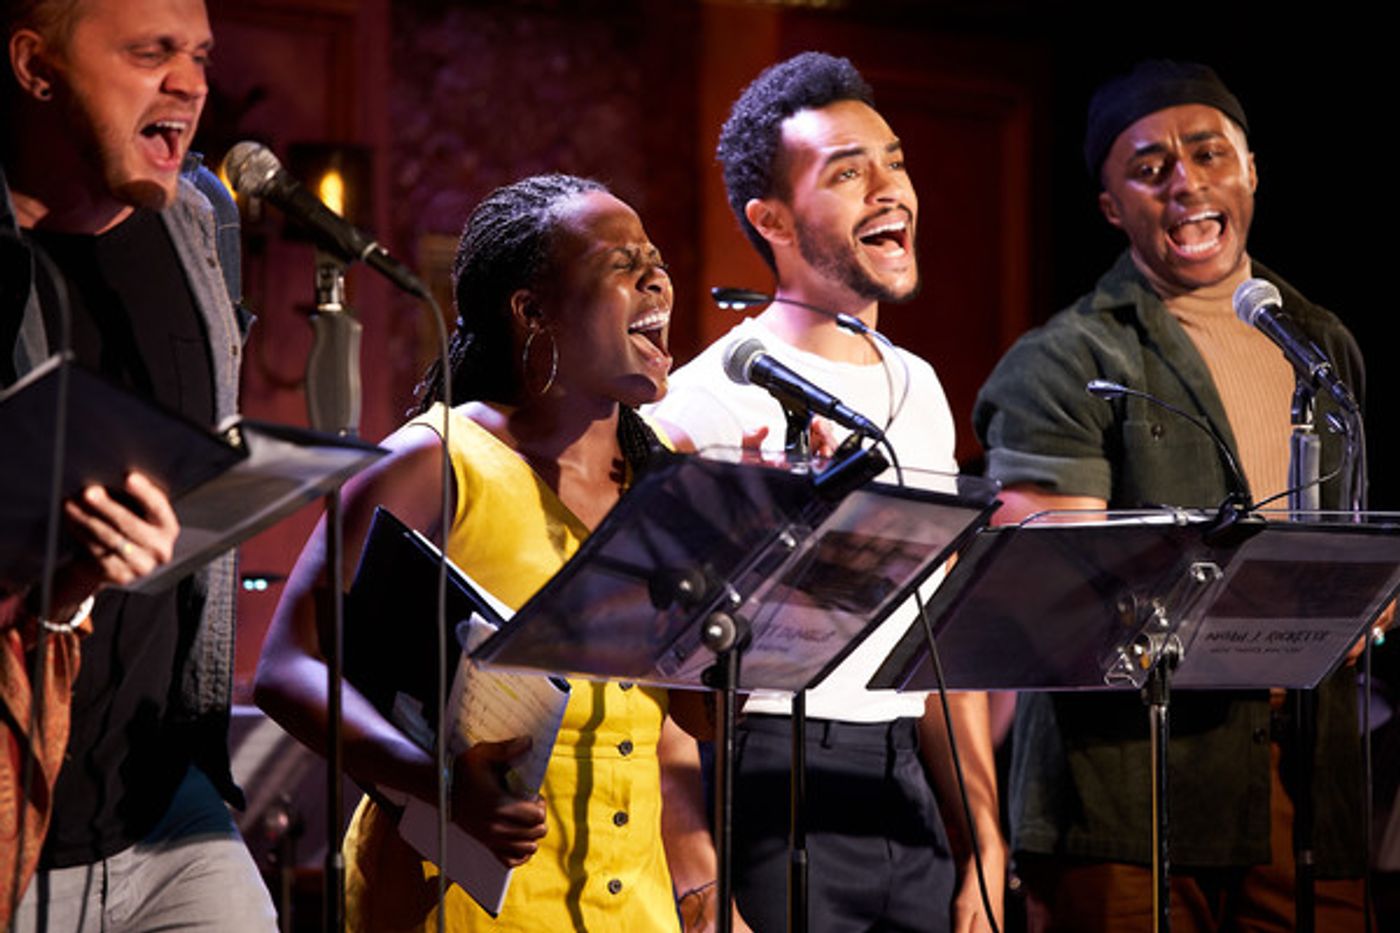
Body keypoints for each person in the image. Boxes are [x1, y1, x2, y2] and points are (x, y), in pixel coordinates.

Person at [974, 60, 1367, 931]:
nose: (1185, 182)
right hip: (1124, 798)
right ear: (1112, 206)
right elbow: (1050, 596)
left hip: (1307, 785)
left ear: (1251, 171)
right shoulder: (1067, 358)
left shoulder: (1322, 344)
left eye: (1208, 154)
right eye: (1150, 168)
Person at [255, 173, 702, 930]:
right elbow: (288, 667)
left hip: (631, 905)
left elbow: (695, 716)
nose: (655, 279)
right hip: (460, 898)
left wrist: (757, 585)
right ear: (532, 311)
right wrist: (437, 783)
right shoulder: (437, 457)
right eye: (622, 265)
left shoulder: (664, 475)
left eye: (655, 261)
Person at [648, 52, 1004, 932]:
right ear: (770, 219)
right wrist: (700, 885)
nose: (890, 189)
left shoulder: (920, 386)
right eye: (848, 173)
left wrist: (982, 845)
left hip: (904, 788)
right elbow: (653, 685)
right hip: (769, 774)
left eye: (895, 162)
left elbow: (937, 640)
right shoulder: (705, 400)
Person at [0, 0, 277, 929]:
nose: (190, 83)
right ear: (35, 67)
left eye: (198, 55)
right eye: (151, 52)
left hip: (165, 808)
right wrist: (62, 581)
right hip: (16, 818)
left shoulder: (199, 222)